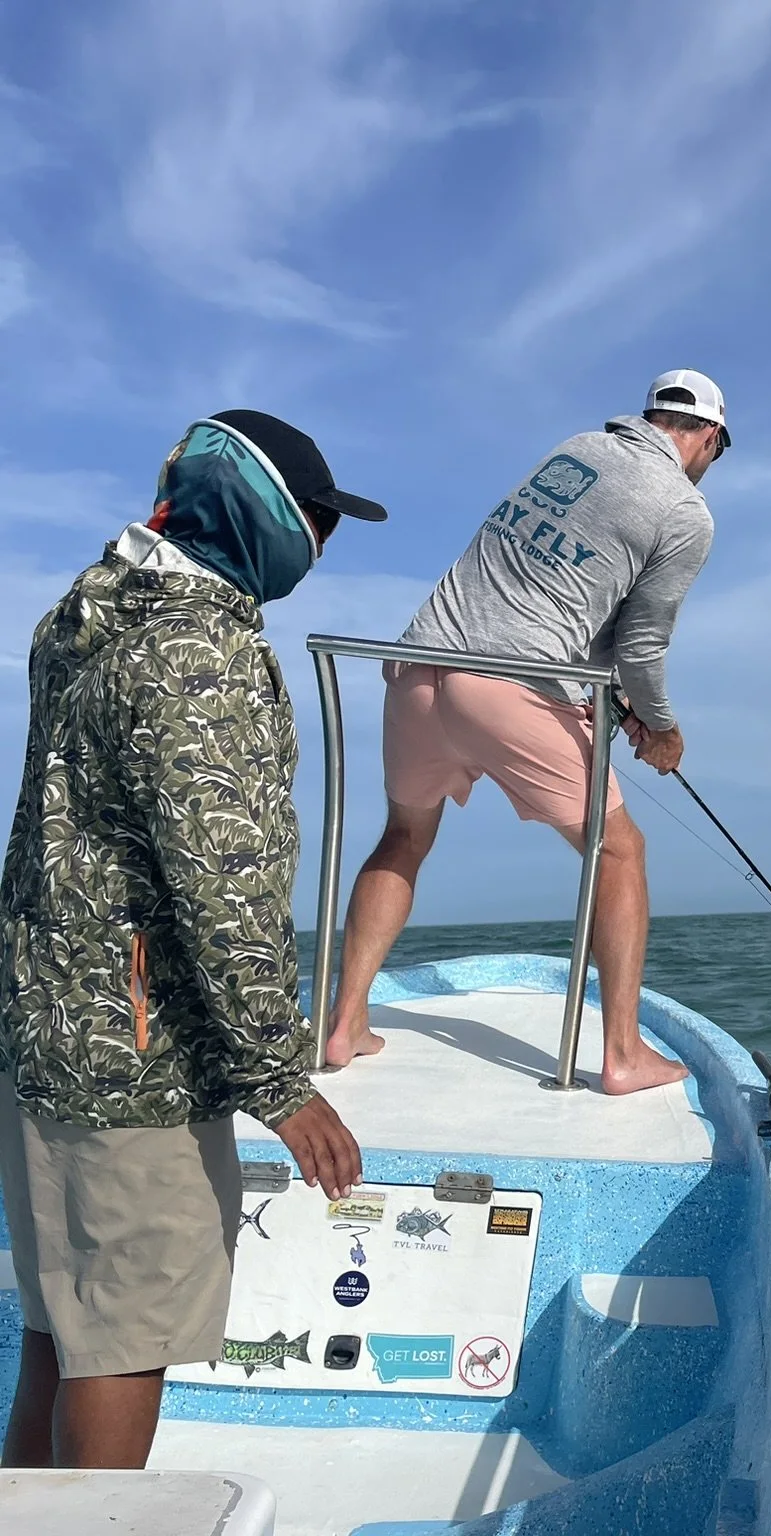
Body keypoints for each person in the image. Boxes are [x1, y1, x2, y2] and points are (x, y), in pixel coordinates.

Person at [0, 411, 380, 1470]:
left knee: (64, 1329)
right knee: (125, 1341)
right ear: (262, 517)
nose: (323, 543)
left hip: (45, 1035)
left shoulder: (86, 617)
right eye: (315, 520)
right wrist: (279, 1078)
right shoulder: (196, 653)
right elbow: (228, 883)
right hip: (137, 1058)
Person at [323, 370, 723, 1094]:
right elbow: (640, 645)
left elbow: (557, 593)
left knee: (404, 838)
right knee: (619, 853)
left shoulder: (573, 451)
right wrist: (659, 726)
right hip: (508, 689)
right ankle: (624, 1055)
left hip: (420, 666)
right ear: (708, 438)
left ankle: (346, 1024)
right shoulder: (686, 511)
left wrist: (616, 703)